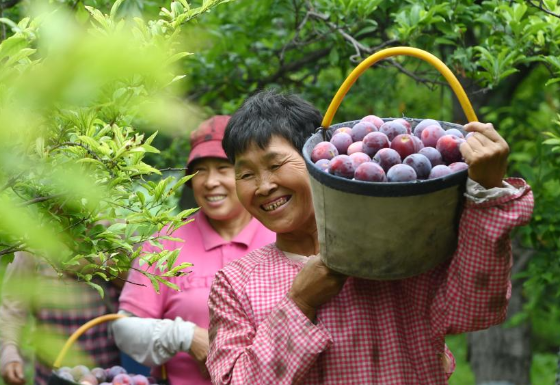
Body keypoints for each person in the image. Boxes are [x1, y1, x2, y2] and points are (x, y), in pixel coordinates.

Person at [206, 90, 535, 385]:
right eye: (246, 174)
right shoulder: (235, 284)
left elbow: (477, 311)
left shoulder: (401, 248)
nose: (263, 186)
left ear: (317, 160)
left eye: (275, 164)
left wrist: (486, 191)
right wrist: (300, 304)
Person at [111, 116, 275, 385]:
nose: (210, 182)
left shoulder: (280, 235)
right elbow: (124, 329)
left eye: (223, 168)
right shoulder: (165, 243)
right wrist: (185, 336)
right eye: (200, 170)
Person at [0, 252, 121, 385]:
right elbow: (11, 311)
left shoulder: (114, 238)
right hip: (51, 377)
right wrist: (9, 352)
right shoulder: (31, 246)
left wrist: (101, 263)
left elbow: (137, 287)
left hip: (107, 375)